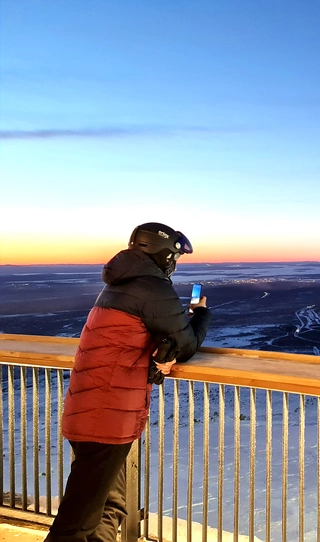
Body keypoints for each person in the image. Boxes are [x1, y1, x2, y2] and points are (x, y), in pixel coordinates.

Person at [46, 222, 212, 542]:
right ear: (163, 254)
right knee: (77, 522)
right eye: (174, 256)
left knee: (104, 507)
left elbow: (123, 340)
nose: (175, 263)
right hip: (106, 416)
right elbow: (187, 343)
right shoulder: (151, 287)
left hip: (93, 408)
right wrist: (201, 314)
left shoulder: (121, 283)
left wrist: (156, 353)